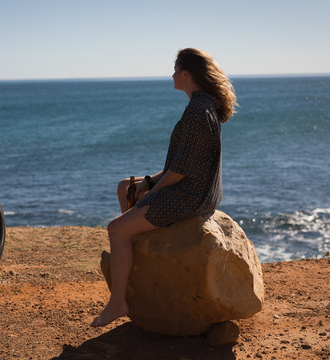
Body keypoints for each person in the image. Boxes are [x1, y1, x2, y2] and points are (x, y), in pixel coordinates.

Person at [90, 48, 238, 328]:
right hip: (196, 189)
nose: (171, 74)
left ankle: (119, 301)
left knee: (116, 228)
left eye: (175, 69)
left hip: (191, 196)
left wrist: (153, 192)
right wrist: (146, 182)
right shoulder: (203, 104)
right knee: (126, 187)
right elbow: (180, 165)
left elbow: (181, 172)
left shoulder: (197, 110)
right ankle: (137, 254)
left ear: (186, 74)